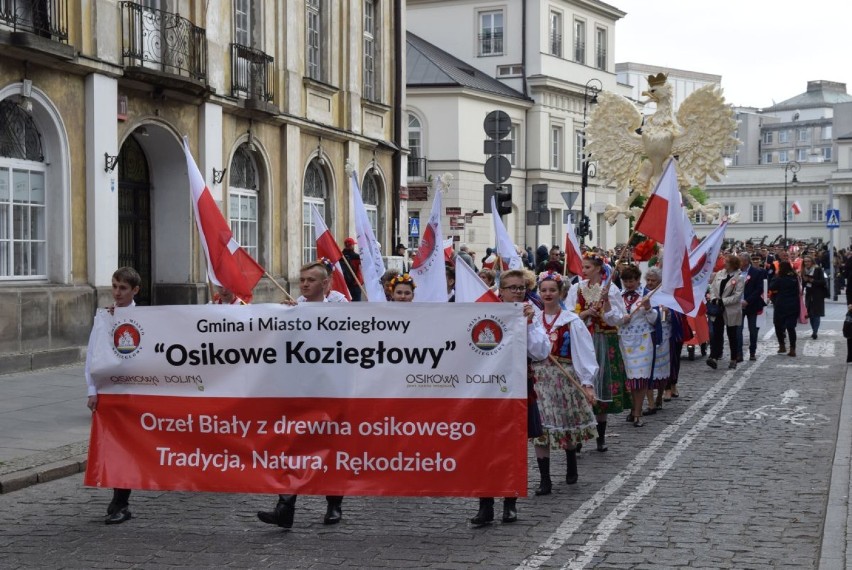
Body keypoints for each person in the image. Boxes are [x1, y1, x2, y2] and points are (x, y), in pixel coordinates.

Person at [257, 261, 348, 529]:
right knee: (293, 447)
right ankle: (285, 508)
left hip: (330, 389)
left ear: (325, 284)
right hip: (300, 389)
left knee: (330, 449)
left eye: (310, 280)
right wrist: (282, 319)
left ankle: (334, 505)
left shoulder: (339, 310)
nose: (305, 284)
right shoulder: (292, 308)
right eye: (302, 280)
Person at [470, 269, 550, 526]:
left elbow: (540, 352)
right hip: (486, 389)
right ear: (500, 291)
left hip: (517, 387)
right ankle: (485, 504)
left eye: (521, 287)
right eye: (511, 287)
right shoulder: (484, 311)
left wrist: (527, 326)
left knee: (514, 447)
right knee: (484, 448)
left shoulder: (530, 314)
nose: (517, 292)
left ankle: (510, 502)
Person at [529, 271, 598, 495]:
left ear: (561, 293)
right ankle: (545, 479)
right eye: (544, 290)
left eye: (552, 290)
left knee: (566, 426)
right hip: (538, 379)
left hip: (564, 378)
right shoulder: (533, 319)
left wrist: (587, 382)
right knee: (541, 428)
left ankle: (571, 462)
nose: (547, 294)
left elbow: (584, 352)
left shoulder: (572, 321)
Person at [85, 266, 141, 525]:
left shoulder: (147, 317)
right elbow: (93, 355)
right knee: (114, 445)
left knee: (132, 446)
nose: (117, 293)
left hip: (136, 393)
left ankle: (122, 500)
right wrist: (92, 389)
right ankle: (119, 500)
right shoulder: (104, 317)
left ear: (134, 290)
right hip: (110, 392)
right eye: (114, 286)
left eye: (123, 288)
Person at [566, 254, 627, 451]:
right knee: (583, 384)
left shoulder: (610, 289)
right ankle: (582, 436)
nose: (583, 271)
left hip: (603, 340)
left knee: (602, 385)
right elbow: (567, 314)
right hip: (583, 340)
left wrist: (607, 304)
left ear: (599, 269)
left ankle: (601, 436)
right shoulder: (577, 288)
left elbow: (617, 319)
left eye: (588, 267)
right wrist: (584, 314)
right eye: (583, 267)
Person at [616, 265, 658, 427]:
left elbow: (654, 320)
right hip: (624, 341)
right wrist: (621, 318)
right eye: (626, 281)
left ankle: (638, 413)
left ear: (637, 280)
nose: (628, 284)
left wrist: (648, 309)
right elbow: (611, 317)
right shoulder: (618, 296)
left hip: (643, 340)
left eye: (631, 280)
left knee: (640, 377)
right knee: (630, 378)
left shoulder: (646, 295)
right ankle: (633, 408)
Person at [706, 255, 745, 370]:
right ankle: (714, 356)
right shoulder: (720, 274)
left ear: (733, 264)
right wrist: (713, 298)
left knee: (732, 334)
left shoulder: (739, 277)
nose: (725, 264)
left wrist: (723, 301)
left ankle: (733, 358)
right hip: (718, 308)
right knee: (716, 334)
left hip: (731, 309)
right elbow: (712, 288)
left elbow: (737, 296)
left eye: (727, 262)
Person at [768, 261, 801, 357]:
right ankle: (792, 348)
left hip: (780, 305)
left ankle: (782, 345)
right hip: (793, 305)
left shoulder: (779, 278)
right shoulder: (795, 277)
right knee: (791, 328)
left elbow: (771, 286)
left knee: (778, 325)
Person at [740, 253, 767, 361]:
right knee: (738, 330)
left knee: (752, 330)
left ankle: (752, 352)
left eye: (740, 261)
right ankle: (738, 352)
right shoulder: (736, 272)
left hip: (751, 304)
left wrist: (748, 300)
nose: (739, 263)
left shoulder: (756, 272)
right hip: (738, 305)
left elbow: (759, 289)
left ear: (746, 261)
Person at [801, 255, 828, 339]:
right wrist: (804, 283)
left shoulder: (818, 269)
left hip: (818, 294)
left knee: (816, 314)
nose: (807, 263)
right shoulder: (803, 271)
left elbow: (823, 282)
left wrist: (812, 281)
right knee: (810, 313)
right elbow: (803, 284)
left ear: (812, 262)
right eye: (805, 261)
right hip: (808, 294)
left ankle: (815, 331)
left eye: (808, 261)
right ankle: (813, 329)